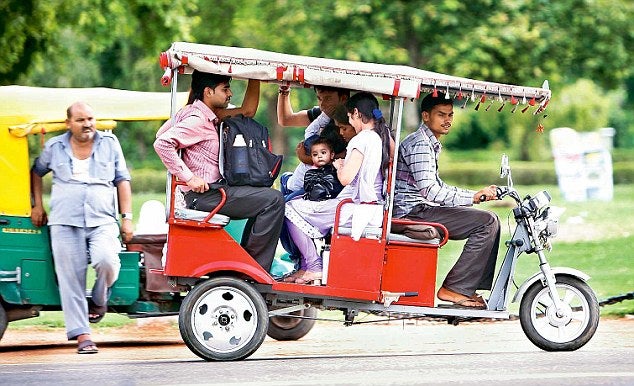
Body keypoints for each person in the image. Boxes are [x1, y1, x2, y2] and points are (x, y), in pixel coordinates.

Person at [154, 70, 284, 272]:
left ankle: (249, 264)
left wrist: (256, 74)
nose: (230, 94)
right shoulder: (197, 119)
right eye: (225, 89)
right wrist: (189, 177)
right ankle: (254, 268)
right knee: (274, 200)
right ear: (208, 91)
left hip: (212, 192)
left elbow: (248, 111)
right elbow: (162, 143)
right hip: (207, 196)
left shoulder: (203, 114)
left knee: (265, 196)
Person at [30, 101, 133, 354]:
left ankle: (99, 299)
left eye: (90, 118)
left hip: (103, 220)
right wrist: (37, 205)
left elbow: (122, 180)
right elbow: (36, 172)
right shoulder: (55, 146)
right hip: (65, 221)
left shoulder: (110, 144)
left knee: (108, 261)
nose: (87, 124)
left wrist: (127, 216)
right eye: (80, 120)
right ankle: (83, 335)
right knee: (70, 278)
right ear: (68, 124)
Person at [393, 92, 500, 309]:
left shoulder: (429, 143)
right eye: (441, 115)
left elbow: (437, 187)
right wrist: (472, 196)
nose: (448, 120)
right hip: (413, 212)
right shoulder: (420, 145)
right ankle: (455, 289)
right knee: (487, 222)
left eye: (450, 115)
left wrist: (473, 196)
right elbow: (431, 191)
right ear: (425, 116)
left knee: (491, 220)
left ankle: (465, 288)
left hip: (422, 207)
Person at [284, 92, 391, 284]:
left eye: (350, 117)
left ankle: (314, 265)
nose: (349, 121)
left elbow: (345, 178)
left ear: (356, 113)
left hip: (354, 206)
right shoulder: (380, 137)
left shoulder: (361, 140)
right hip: (368, 205)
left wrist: (339, 165)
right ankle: (308, 265)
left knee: (289, 207)